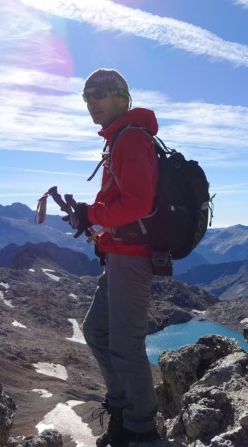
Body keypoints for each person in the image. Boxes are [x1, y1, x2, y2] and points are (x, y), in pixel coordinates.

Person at [70, 68, 161, 447]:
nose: (91, 102)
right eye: (86, 96)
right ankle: (123, 409)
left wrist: (91, 214)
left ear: (122, 97)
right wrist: (97, 225)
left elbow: (138, 204)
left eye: (99, 94)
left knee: (126, 345)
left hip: (132, 259)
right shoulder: (120, 138)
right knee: (96, 331)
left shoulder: (131, 139)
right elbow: (124, 205)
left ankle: (141, 431)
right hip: (119, 253)